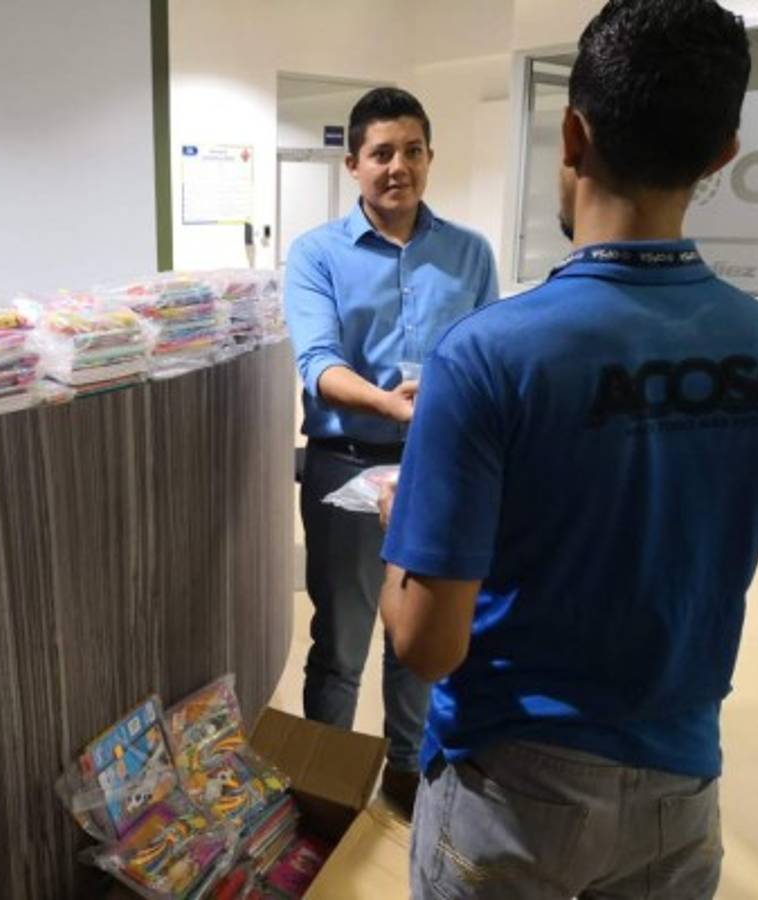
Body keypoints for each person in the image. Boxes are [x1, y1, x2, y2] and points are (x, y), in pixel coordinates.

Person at [377, 1, 758, 897]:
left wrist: (400, 525)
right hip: (682, 784)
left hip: (508, 788)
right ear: (723, 154)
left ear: (572, 135)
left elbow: (425, 644)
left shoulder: (488, 355)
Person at [283, 86, 499, 812]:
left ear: (430, 157)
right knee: (340, 644)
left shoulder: (469, 252)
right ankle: (326, 781)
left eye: (412, 151)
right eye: (380, 153)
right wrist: (389, 403)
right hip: (344, 463)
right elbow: (317, 363)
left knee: (418, 638)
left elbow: (487, 354)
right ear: (352, 164)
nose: (397, 166)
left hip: (437, 470)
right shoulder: (317, 254)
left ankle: (406, 772)